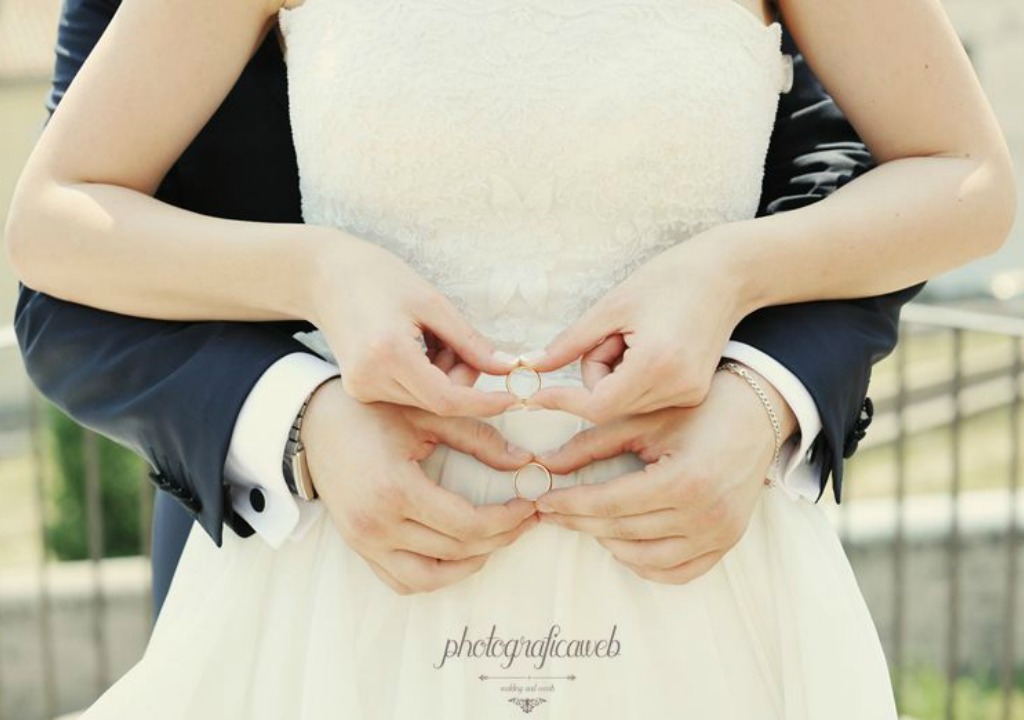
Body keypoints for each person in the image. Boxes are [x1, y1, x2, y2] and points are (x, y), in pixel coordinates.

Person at [5, 0, 1013, 717]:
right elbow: (57, 224)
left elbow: (962, 173)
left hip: (697, 549)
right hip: (352, 564)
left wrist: (733, 276)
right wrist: (317, 275)